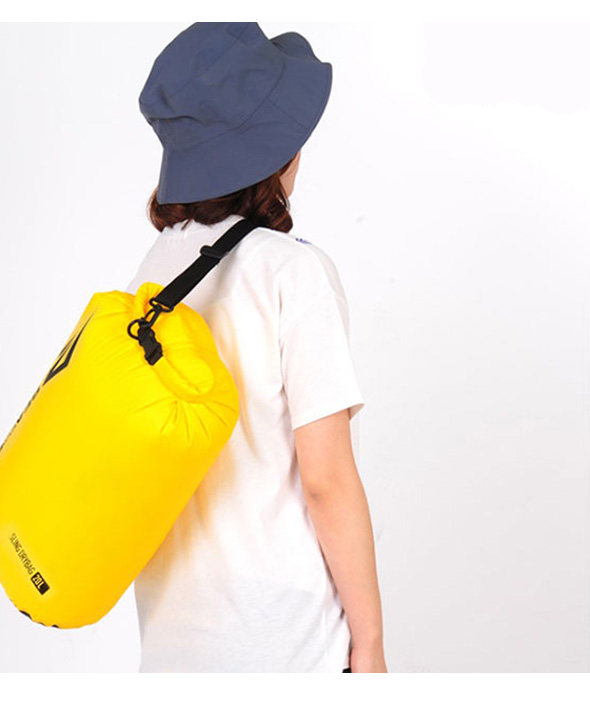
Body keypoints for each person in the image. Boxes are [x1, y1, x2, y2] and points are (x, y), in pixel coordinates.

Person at [126, 22, 387, 673]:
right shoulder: (292, 272)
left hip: (172, 629)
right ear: (278, 147)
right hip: (284, 635)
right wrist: (371, 643)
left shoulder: (153, 275)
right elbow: (326, 480)